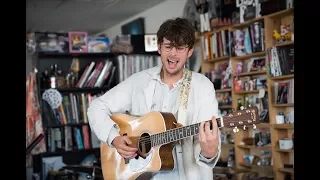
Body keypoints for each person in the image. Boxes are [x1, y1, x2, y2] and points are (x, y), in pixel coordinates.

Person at [87, 17, 221, 180]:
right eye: (168, 46)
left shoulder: (202, 86)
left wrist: (209, 151)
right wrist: (114, 138)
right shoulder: (138, 81)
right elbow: (96, 107)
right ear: (159, 47)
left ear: (190, 51)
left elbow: (207, 147)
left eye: (179, 48)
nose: (173, 53)